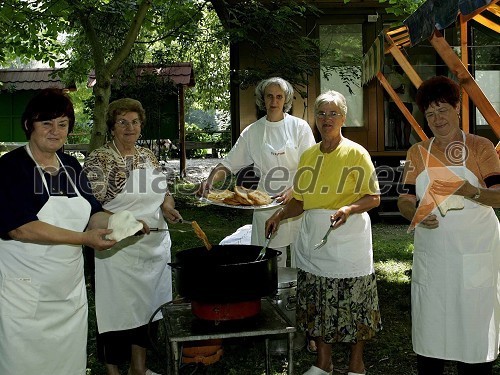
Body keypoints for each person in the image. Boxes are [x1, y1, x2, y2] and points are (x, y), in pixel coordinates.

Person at [0, 88, 118, 375]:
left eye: (63, 124)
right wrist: (83, 239)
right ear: (29, 125)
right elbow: (21, 228)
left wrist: (123, 222)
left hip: (68, 293)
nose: (55, 131)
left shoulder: (70, 166)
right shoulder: (11, 168)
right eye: (47, 123)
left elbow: (93, 214)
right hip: (25, 294)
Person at [265, 90, 382, 375]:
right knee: (317, 302)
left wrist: (349, 209)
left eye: (332, 113)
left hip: (348, 236)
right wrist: (279, 215)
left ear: (343, 118)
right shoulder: (308, 156)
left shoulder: (356, 153)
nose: (326, 119)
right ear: (314, 119)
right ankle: (324, 362)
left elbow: (374, 197)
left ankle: (357, 364)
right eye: (321, 113)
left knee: (354, 301)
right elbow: (301, 201)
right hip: (313, 240)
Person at [397, 76, 500, 375]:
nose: (437, 119)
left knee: (474, 326)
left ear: (457, 108)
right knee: (432, 326)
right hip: (435, 254)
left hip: (475, 250)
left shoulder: (480, 148)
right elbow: (403, 198)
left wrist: (471, 192)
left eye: (442, 110)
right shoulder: (418, 153)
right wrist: (413, 213)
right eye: (430, 114)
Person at [84, 98, 182, 375]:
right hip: (118, 244)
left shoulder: (147, 155)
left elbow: (162, 191)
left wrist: (168, 206)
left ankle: (139, 368)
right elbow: (93, 204)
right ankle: (113, 369)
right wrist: (128, 223)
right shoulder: (100, 158)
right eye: (122, 122)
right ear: (112, 127)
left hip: (151, 243)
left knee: (147, 306)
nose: (130, 127)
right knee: (116, 309)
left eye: (135, 122)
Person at [198, 77, 316, 267]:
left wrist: (295, 189)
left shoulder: (299, 128)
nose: (274, 101)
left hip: (298, 203)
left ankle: (296, 295)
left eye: (279, 97)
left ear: (285, 100)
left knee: (301, 260)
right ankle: (271, 296)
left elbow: (311, 167)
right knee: (268, 262)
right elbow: (229, 163)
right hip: (265, 204)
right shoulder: (253, 132)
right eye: (269, 96)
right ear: (262, 99)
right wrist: (210, 181)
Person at [386, 62, 413, 150]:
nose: (401, 66)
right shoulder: (391, 75)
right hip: (395, 102)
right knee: (397, 122)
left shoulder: (407, 75)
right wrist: (397, 90)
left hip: (408, 101)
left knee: (408, 123)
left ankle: (406, 143)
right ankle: (400, 144)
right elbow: (386, 89)